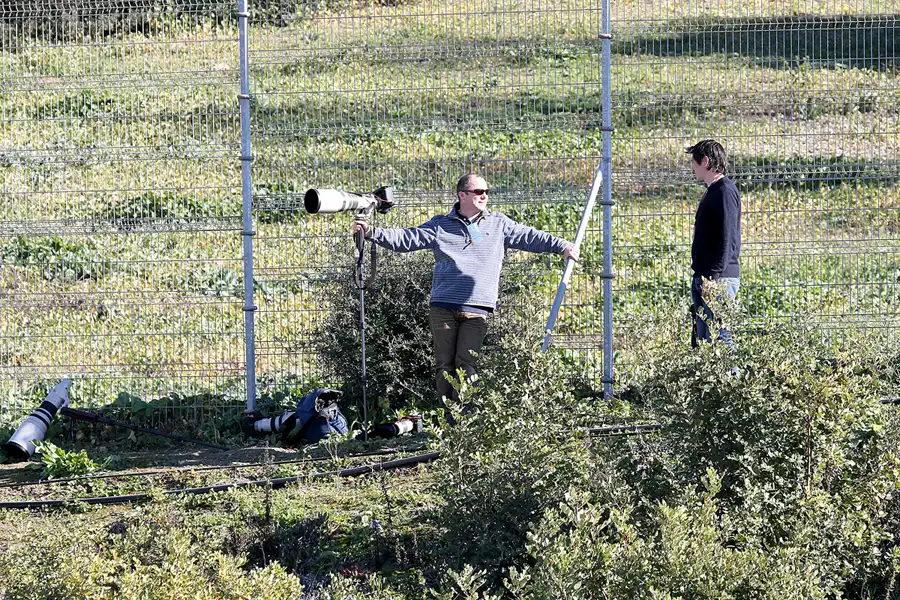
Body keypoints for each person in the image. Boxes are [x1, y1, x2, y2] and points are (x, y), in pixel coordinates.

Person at [352, 173, 578, 419]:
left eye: (487, 192)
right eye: (479, 192)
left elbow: (531, 237)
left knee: (467, 364)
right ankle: (447, 420)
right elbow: (407, 238)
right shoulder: (440, 225)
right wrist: (371, 233)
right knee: (444, 365)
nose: (484, 196)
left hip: (477, 309)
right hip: (443, 307)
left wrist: (563, 246)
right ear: (462, 195)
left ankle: (463, 420)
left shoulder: (499, 223)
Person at [687, 139, 742, 346]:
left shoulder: (724, 191)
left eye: (694, 162)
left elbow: (727, 237)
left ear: (706, 161)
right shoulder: (713, 190)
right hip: (706, 277)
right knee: (704, 343)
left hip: (718, 280)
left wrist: (713, 277)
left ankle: (731, 370)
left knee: (721, 339)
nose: (692, 167)